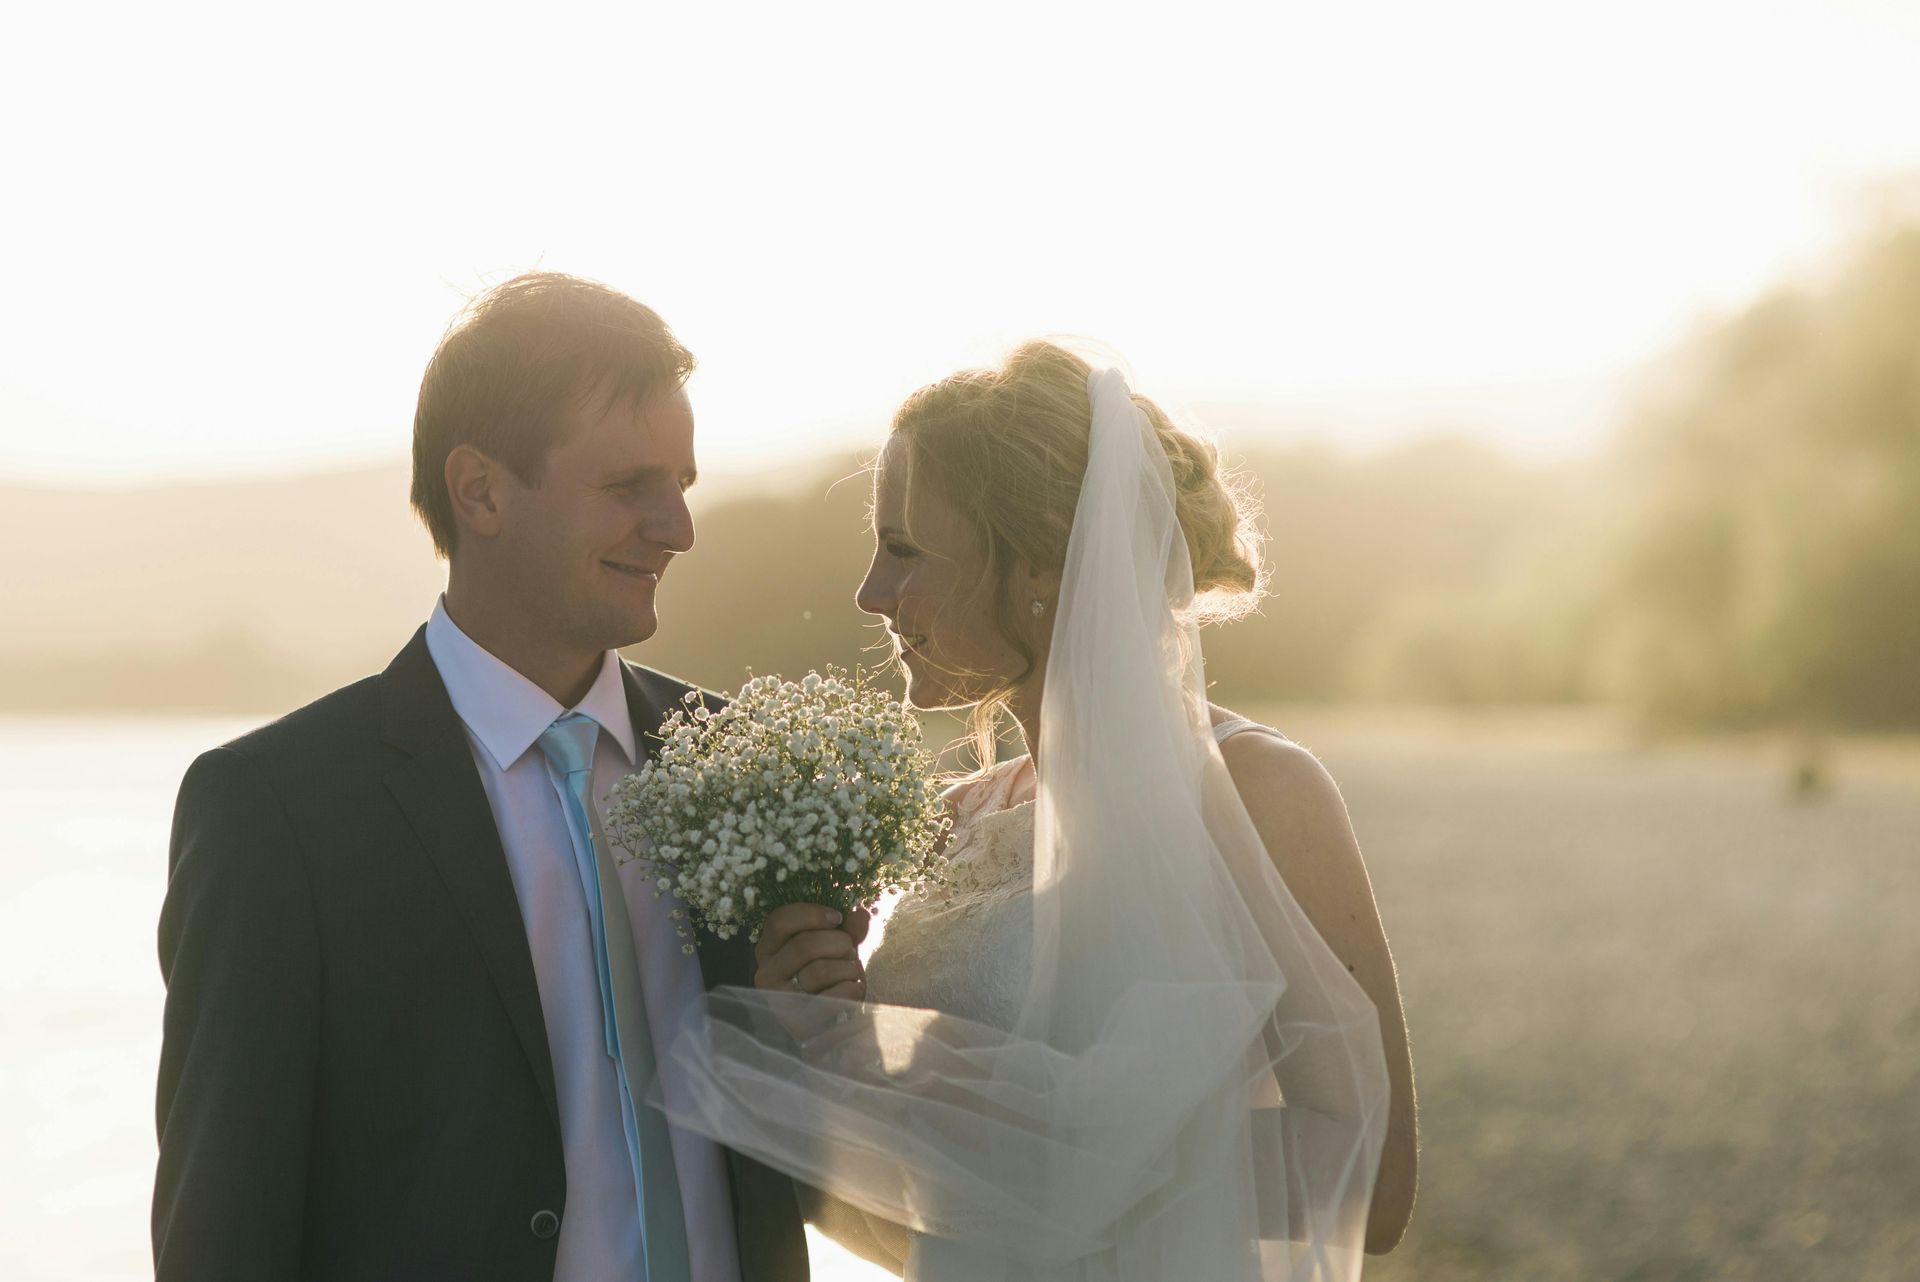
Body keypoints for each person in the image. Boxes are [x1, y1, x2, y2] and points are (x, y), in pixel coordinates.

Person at [154, 272, 851, 1281]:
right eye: (629, 488)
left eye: (682, 486)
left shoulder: (746, 763)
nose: (678, 528)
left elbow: (809, 1161)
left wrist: (817, 1028)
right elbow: (223, 1228)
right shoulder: (279, 812)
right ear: (479, 489)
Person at [698, 341, 1418, 1280]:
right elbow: (903, 1209)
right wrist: (822, 1052)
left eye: (905, 550)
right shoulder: (948, 821)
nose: (870, 593)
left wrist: (1055, 1157)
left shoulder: (1256, 795)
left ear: (1041, 563)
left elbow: (1377, 1180)